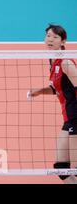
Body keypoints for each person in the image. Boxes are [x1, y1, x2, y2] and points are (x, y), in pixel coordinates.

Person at [28, 24, 77, 184]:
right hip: (68, 118)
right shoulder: (53, 59)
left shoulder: (65, 62)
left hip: (75, 117)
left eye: (55, 37)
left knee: (75, 170)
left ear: (63, 41)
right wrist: (40, 91)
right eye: (48, 36)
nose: (50, 39)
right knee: (61, 167)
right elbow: (60, 88)